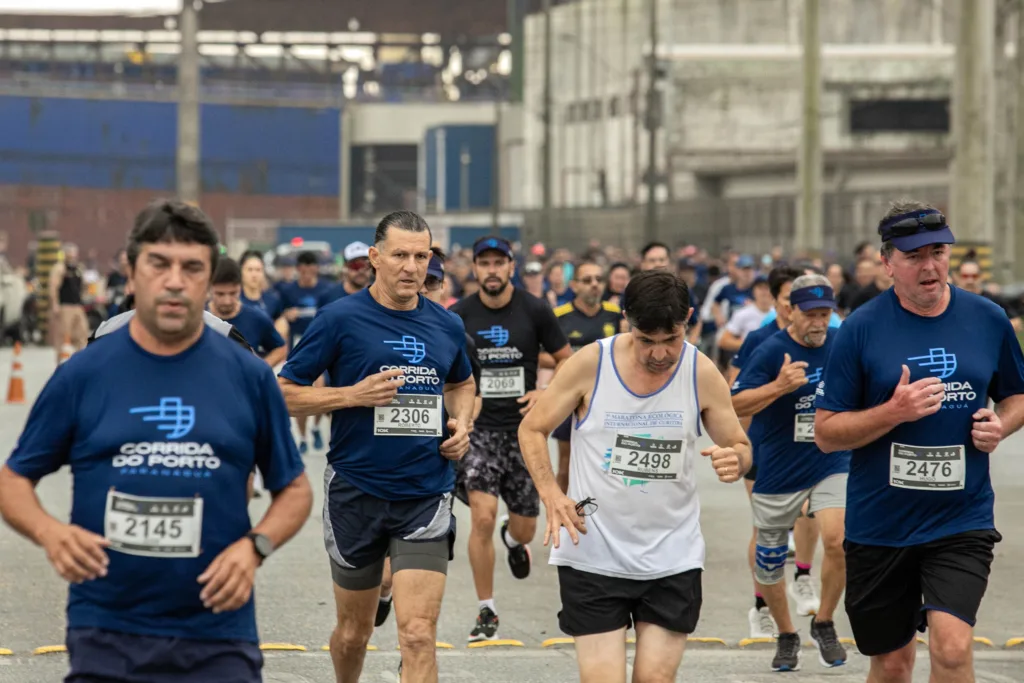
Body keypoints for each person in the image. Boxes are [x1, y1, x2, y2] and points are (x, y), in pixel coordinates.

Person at [0, 198, 313, 683]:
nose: (174, 281)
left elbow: (294, 489)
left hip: (219, 636)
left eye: (192, 268)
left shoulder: (249, 377)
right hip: (107, 633)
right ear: (131, 271)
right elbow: (13, 479)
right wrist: (50, 532)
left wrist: (255, 548)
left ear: (209, 280)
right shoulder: (84, 374)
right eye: (159, 264)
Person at [814, 200, 1024, 683]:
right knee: (892, 663)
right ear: (887, 263)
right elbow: (826, 434)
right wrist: (893, 412)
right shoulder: (859, 330)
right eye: (914, 256)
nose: (929, 266)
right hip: (880, 526)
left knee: (952, 649)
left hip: (960, 519)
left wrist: (1001, 425)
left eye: (938, 252)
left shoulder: (988, 318)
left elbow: (1016, 396)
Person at [517, 270, 752, 683]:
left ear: (689, 321)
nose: (660, 354)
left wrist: (738, 460)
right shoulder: (591, 363)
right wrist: (551, 493)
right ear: (627, 320)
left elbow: (740, 444)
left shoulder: (699, 370)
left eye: (671, 340)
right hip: (592, 554)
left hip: (672, 555)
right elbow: (531, 428)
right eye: (647, 341)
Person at [277, 210, 476, 683]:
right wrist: (351, 395)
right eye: (400, 255)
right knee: (353, 633)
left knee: (418, 633)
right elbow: (282, 393)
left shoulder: (446, 325)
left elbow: (463, 384)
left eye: (421, 256)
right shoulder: (339, 320)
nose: (412, 267)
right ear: (375, 258)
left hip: (425, 493)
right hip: (356, 492)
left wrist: (461, 424)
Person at [449, 235, 572, 642]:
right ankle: (487, 609)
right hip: (480, 431)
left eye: (498, 263)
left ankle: (512, 539)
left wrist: (546, 391)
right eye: (484, 263)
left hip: (525, 432)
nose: (492, 270)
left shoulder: (536, 310)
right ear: (475, 269)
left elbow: (568, 364)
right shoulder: (460, 314)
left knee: (524, 529)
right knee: (481, 516)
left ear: (511, 267)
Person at [731, 274, 850, 672]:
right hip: (778, 469)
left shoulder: (841, 345)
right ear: (790, 311)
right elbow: (736, 403)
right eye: (811, 314)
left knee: (838, 540)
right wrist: (779, 387)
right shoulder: (769, 351)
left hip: (829, 461)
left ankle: (825, 621)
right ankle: (786, 633)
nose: (820, 323)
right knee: (768, 561)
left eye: (826, 313)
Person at [373, 248, 484, 632]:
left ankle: (412, 653)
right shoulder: (375, 327)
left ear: (443, 286)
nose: (427, 286)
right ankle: (383, 591)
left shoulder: (453, 332)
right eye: (424, 279)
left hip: (429, 474)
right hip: (372, 475)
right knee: (384, 576)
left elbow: (471, 391)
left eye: (434, 282)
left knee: (418, 619)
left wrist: (462, 425)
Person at [726, 265, 822, 640]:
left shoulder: (828, 335)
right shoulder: (760, 340)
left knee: (812, 512)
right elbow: (737, 398)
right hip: (767, 447)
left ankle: (802, 574)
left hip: (813, 447)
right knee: (766, 529)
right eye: (786, 300)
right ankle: (761, 606)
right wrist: (742, 448)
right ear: (778, 301)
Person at [549, 260, 622, 493]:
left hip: (608, 399)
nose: (594, 285)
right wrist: (574, 361)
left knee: (609, 463)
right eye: (587, 280)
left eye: (599, 280)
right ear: (574, 285)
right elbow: (541, 355)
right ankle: (560, 521)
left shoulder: (615, 315)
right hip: (571, 399)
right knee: (566, 465)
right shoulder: (559, 316)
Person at [277, 250, 333, 454]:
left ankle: (316, 426)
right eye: (303, 270)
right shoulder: (287, 291)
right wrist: (285, 314)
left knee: (320, 387)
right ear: (298, 270)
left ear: (316, 269)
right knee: (299, 389)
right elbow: (277, 315)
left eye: (311, 270)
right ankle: (301, 437)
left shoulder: (326, 291)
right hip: (298, 346)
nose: (307, 274)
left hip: (321, 346)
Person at [209, 257, 288, 367]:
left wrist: (259, 370)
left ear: (240, 287)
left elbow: (280, 348)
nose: (227, 301)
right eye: (220, 294)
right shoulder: (199, 318)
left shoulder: (256, 318)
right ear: (209, 288)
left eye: (233, 293)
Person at [49, 242, 90, 363]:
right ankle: (61, 363)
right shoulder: (60, 269)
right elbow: (53, 287)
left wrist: (84, 295)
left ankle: (80, 362)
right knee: (63, 337)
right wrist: (55, 305)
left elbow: (84, 285)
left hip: (77, 306)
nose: (73, 255)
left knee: (82, 336)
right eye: (70, 252)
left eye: (74, 252)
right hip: (65, 306)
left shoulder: (78, 268)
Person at [320, 241, 374, 306]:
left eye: (365, 265)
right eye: (355, 266)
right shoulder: (329, 297)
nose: (361, 270)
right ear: (345, 266)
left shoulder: (381, 297)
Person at [238, 250, 283, 320]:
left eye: (258, 270)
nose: (254, 275)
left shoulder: (273, 300)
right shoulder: (234, 301)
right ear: (241, 272)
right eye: (249, 270)